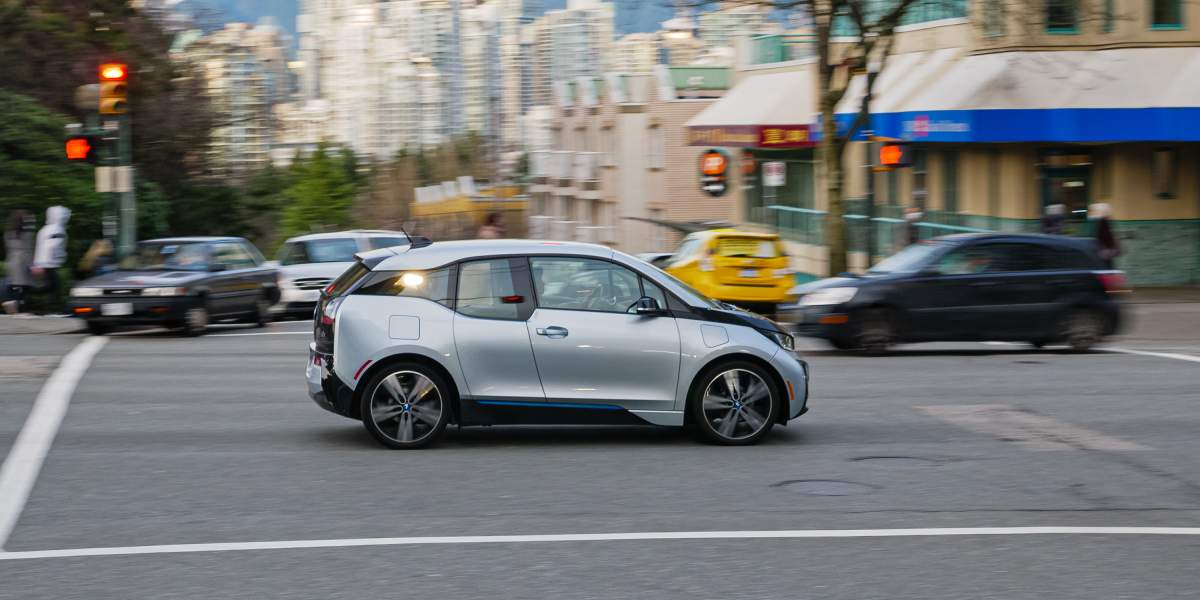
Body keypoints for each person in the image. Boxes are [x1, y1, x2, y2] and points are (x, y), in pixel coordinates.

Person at [31, 205, 71, 314]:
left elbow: (41, 246)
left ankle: (52, 309)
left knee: (51, 287)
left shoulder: (45, 229)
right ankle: (54, 309)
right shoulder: (57, 229)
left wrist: (37, 263)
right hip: (49, 264)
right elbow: (52, 247)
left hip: (44, 263)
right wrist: (62, 256)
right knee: (54, 287)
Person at [3, 210, 36, 314]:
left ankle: (11, 302)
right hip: (23, 261)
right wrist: (32, 265)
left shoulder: (8, 233)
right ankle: (19, 305)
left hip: (11, 260)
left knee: (14, 284)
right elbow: (28, 249)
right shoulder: (27, 235)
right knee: (26, 286)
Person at [1090, 202, 1120, 268]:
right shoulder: (1106, 221)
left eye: (1095, 211)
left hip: (1103, 255)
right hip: (1105, 254)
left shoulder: (1102, 222)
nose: (1093, 213)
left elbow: (1103, 237)